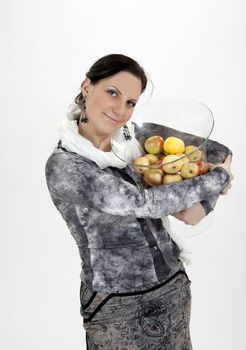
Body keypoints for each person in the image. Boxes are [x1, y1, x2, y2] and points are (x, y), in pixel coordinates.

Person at [45, 54, 233, 350]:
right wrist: (216, 181)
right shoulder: (65, 166)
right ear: (86, 87)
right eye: (112, 92)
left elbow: (217, 152)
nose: (121, 110)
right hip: (117, 308)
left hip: (173, 286)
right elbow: (142, 202)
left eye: (131, 102)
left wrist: (201, 207)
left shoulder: (134, 136)